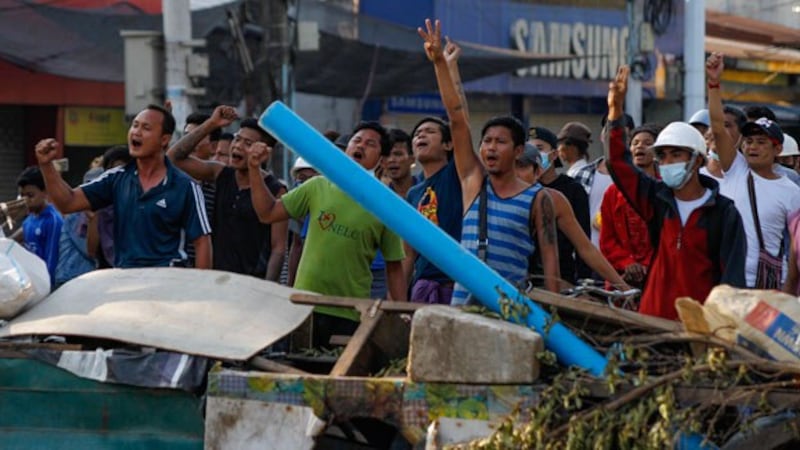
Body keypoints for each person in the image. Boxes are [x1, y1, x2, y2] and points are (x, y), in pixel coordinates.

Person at [418, 19, 560, 305]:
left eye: (500, 142)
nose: (490, 148)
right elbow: (457, 116)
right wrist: (439, 65)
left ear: (519, 150)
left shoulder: (538, 197)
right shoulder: (473, 181)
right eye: (487, 141)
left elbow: (550, 257)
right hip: (463, 307)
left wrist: (553, 319)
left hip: (512, 311)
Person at [246, 121, 407, 346]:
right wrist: (254, 169)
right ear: (347, 148)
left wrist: (402, 317)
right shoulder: (318, 186)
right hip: (306, 307)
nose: (361, 146)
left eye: (370, 144)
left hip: (350, 311)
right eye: (356, 140)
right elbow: (268, 213)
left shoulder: (385, 204)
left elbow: (394, 266)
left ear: (380, 159)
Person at [606, 65, 746, 320]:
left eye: (677, 154)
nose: (668, 162)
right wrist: (615, 112)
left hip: (698, 328)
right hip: (653, 318)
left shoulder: (724, 213)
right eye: (663, 156)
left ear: (697, 160)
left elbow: (732, 281)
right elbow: (617, 163)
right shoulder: (656, 199)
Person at [34, 104, 211, 269]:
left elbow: (202, 241)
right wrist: (46, 166)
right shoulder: (116, 179)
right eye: (135, 125)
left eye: (146, 128)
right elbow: (68, 202)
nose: (136, 132)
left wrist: (200, 290)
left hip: (169, 281)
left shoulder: (185, 186)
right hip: (126, 281)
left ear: (164, 139)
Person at [707, 52, 800, 289]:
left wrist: (789, 293)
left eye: (761, 142)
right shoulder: (735, 168)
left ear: (777, 148)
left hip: (766, 286)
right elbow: (718, 126)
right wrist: (714, 83)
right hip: (723, 280)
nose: (752, 147)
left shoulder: (791, 190)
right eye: (748, 141)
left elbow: (795, 247)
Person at [167, 108, 288, 281]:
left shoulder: (276, 190)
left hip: (252, 283)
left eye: (247, 143)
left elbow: (278, 248)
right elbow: (173, 158)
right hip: (217, 280)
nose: (237, 146)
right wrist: (211, 124)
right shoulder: (221, 173)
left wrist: (267, 288)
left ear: (264, 151)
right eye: (237, 139)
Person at [515, 144, 628, 292]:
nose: (515, 173)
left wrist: (623, 288)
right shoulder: (490, 196)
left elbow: (585, 248)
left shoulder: (552, 199)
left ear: (537, 172)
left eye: (521, 167)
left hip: (546, 287)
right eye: (510, 167)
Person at [404, 116, 462, 304]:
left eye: (430, 132)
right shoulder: (414, 193)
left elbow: (461, 126)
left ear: (448, 145)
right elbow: (409, 251)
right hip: (423, 284)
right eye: (417, 134)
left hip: (456, 284)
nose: (421, 135)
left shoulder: (457, 174)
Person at [525, 126, 591, 285]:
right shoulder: (524, 188)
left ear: (554, 154)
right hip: (526, 275)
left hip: (563, 276)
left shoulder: (573, 189)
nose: (534, 154)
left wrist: (583, 281)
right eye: (529, 149)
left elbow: (583, 243)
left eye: (539, 148)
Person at [600, 125, 659, 289]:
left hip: (658, 276)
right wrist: (628, 263)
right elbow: (607, 240)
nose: (640, 146)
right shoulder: (612, 192)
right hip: (620, 278)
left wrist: (647, 265)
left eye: (647, 143)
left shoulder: (666, 190)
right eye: (635, 143)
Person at [17, 166, 63, 288]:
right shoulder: (28, 221)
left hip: (45, 286)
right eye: (22, 196)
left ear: (45, 192)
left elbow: (52, 260)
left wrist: (46, 287)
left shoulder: (53, 220)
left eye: (30, 195)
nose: (25, 201)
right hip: (31, 283)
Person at [54, 168, 101, 288]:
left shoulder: (107, 214)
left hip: (88, 281)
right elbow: (90, 251)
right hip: (70, 278)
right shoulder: (75, 216)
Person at [286, 157, 319, 287]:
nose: (305, 185)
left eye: (310, 179)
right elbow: (297, 245)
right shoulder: (296, 202)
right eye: (301, 179)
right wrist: (290, 284)